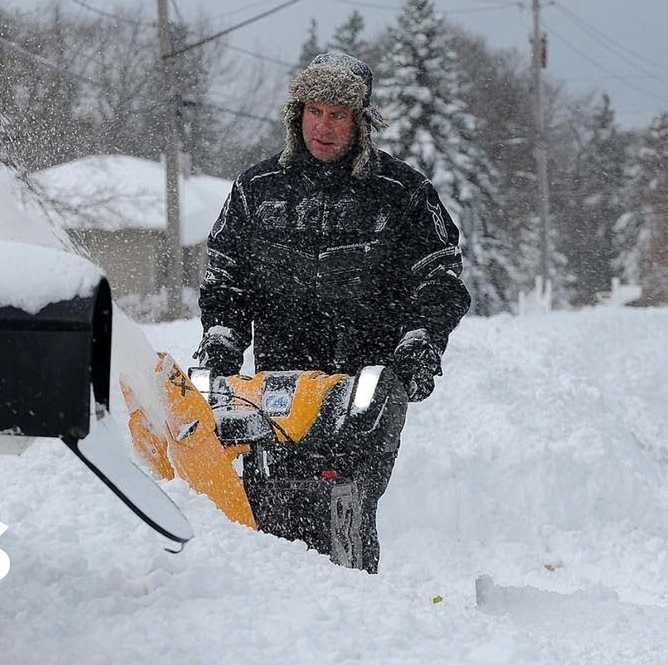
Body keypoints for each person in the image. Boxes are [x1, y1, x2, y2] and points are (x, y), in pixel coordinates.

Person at [195, 52, 470, 572]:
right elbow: (226, 275)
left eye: (338, 114)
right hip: (279, 385)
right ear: (296, 115)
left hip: (366, 382)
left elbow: (439, 279)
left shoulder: (404, 194)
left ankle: (353, 608)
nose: (324, 126)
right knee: (269, 498)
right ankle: (276, 611)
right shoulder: (257, 191)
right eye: (315, 111)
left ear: (360, 122)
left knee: (345, 497)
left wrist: (421, 341)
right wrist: (223, 336)